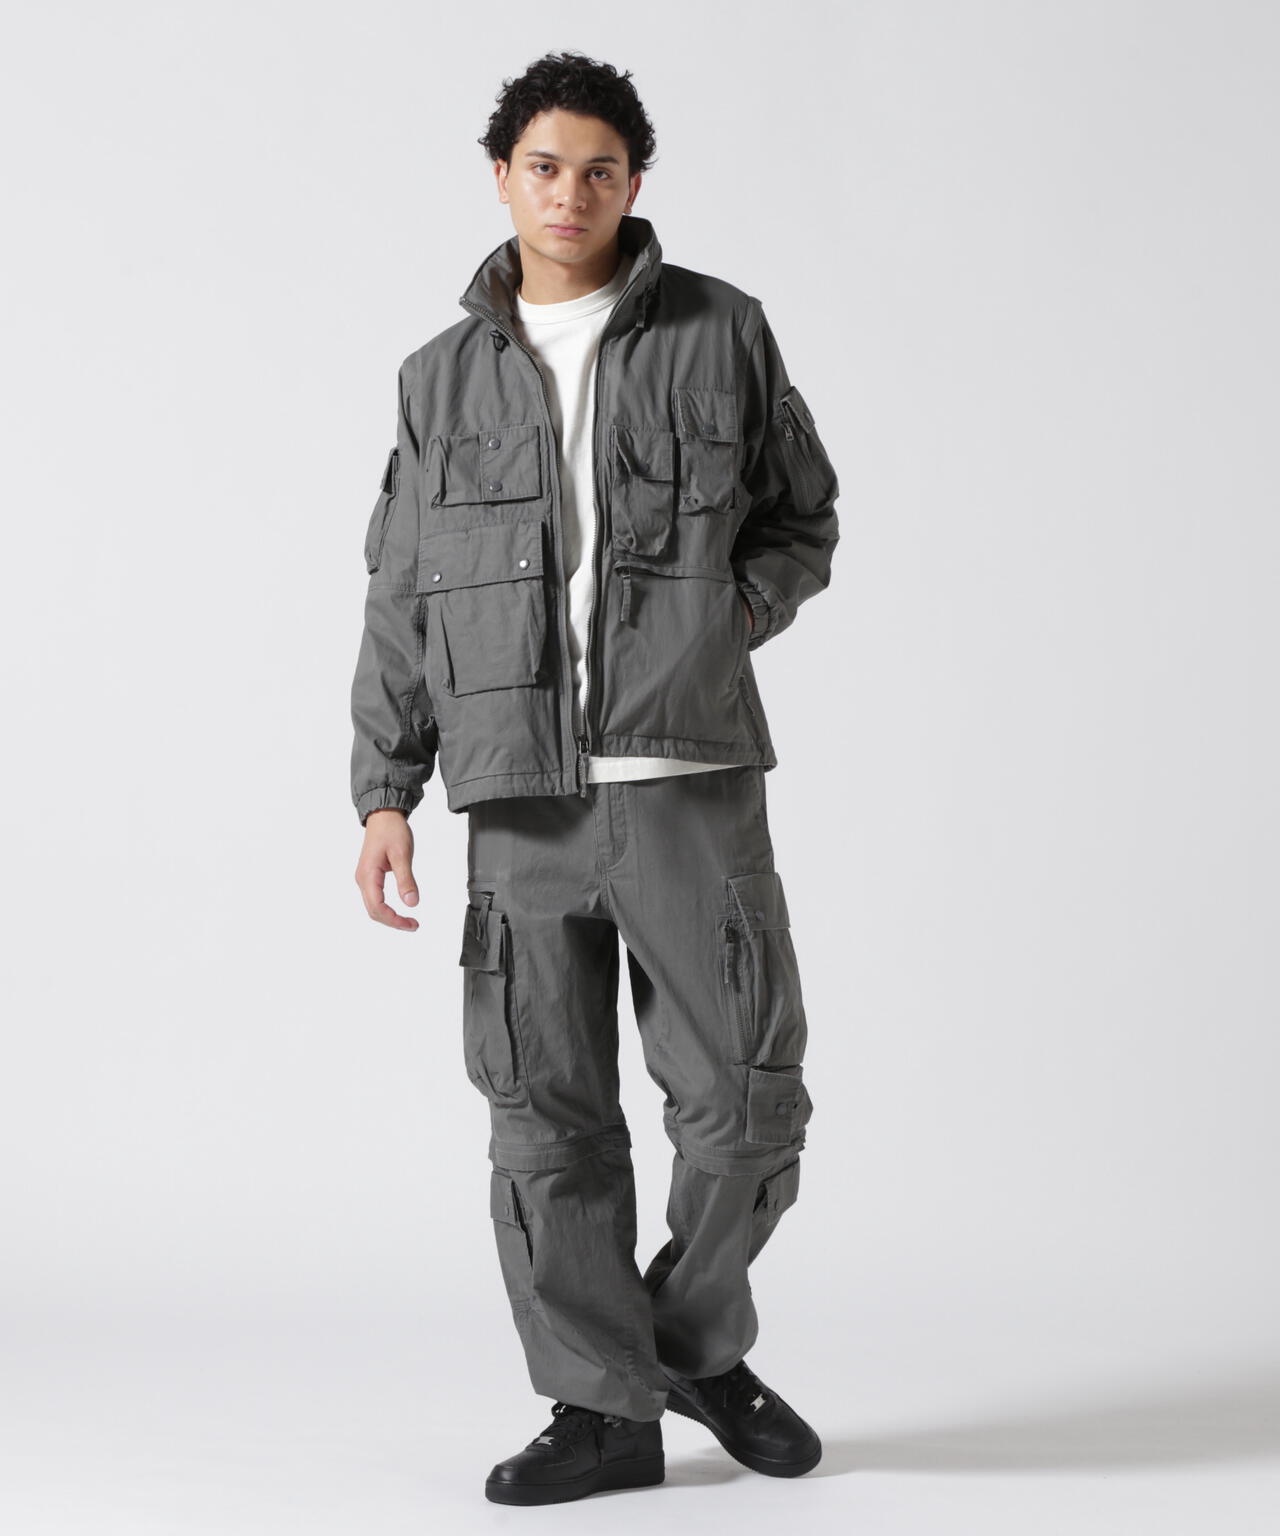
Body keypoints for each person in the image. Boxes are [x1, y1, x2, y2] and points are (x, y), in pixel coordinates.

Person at [350, 50, 841, 1506]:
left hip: (688, 781)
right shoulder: (438, 379)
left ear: (636, 183)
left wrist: (720, 624)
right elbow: (402, 595)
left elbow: (803, 519)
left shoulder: (721, 329)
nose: (572, 193)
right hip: (517, 799)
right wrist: (384, 789)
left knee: (745, 1108)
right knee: (544, 1120)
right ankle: (601, 1412)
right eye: (546, 167)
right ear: (502, 177)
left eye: (601, 170)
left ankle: (684, 1346)